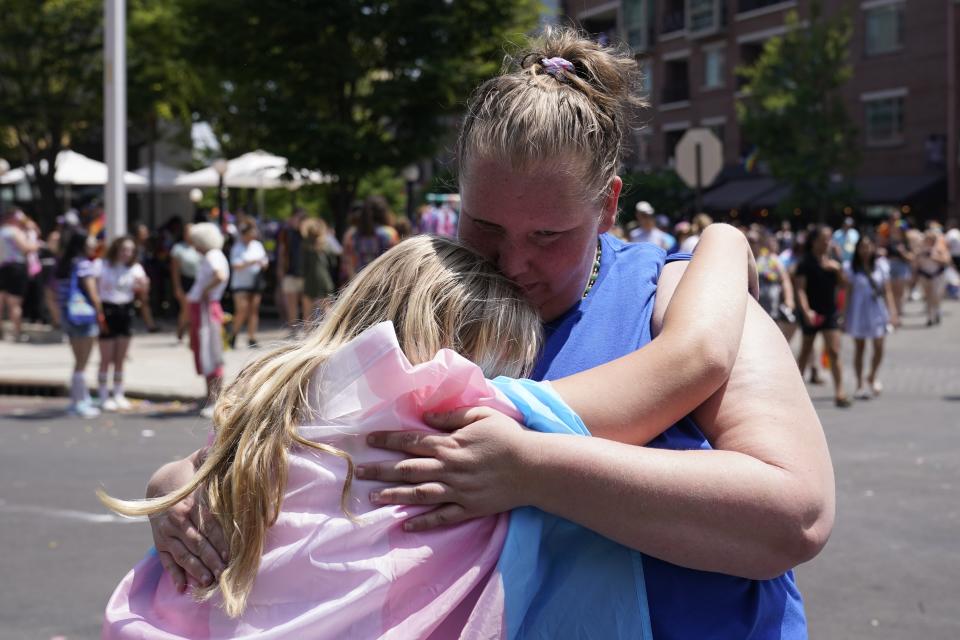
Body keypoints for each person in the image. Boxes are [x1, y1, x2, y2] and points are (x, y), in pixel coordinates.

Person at [144, 29, 833, 639]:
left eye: (548, 236)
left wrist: (527, 470)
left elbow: (794, 517)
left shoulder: (680, 299)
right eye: (485, 228)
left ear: (609, 205)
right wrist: (187, 490)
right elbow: (293, 443)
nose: (512, 262)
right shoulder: (420, 293)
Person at [100, 228, 754, 637]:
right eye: (498, 362)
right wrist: (724, 240)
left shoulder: (275, 395)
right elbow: (691, 359)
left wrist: (173, 483)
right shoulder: (455, 406)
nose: (500, 379)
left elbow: (185, 480)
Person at [795, 225, 849, 406]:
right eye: (824, 239)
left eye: (829, 238)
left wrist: (837, 270)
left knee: (833, 351)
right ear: (814, 241)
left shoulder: (833, 261)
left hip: (830, 311)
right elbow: (800, 290)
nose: (827, 242)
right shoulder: (806, 263)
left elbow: (844, 285)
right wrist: (806, 311)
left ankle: (840, 392)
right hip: (812, 312)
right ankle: (795, 393)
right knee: (805, 351)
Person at [97, 236, 150, 411]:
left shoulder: (135, 268)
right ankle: (103, 394)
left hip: (125, 310)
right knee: (106, 357)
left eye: (130, 250)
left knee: (120, 358)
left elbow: (143, 291)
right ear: (116, 249)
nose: (127, 253)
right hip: (108, 309)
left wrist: (143, 285)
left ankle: (118, 393)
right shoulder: (103, 265)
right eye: (123, 249)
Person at [56, 231, 105, 418]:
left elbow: (52, 293)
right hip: (84, 317)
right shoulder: (84, 265)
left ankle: (77, 399)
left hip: (68, 316)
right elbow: (93, 294)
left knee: (78, 361)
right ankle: (81, 402)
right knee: (82, 363)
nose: (93, 245)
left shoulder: (64, 264)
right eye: (90, 242)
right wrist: (100, 311)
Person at [844, 235, 898, 400]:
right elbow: (848, 293)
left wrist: (893, 311)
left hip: (877, 310)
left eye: (868, 246)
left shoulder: (881, 266)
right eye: (862, 247)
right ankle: (860, 383)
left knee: (879, 346)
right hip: (859, 311)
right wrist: (844, 315)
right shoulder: (850, 268)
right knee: (859, 348)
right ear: (857, 249)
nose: (865, 250)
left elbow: (887, 290)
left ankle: (872, 376)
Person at [186, 223, 229, 418]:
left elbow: (219, 276)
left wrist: (205, 291)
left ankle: (216, 400)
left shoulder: (213, 256)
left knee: (211, 353)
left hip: (207, 309)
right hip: (203, 308)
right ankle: (210, 397)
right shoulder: (211, 256)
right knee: (205, 354)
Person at [748, 227, 796, 339]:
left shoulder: (772, 259)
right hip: (749, 313)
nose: (749, 243)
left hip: (770, 312)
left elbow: (785, 280)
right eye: (748, 239)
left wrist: (789, 299)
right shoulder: (742, 260)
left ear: (761, 242)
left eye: (753, 241)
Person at [0, 208, 39, 342]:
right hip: (15, 267)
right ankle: (17, 332)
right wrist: (36, 243)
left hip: (2, 267)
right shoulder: (14, 232)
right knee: (14, 304)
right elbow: (27, 248)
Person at [227, 222, 268, 348]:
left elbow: (265, 262)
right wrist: (252, 262)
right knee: (242, 309)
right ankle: (233, 334)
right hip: (240, 283)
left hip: (255, 282)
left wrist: (262, 264)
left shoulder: (257, 246)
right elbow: (235, 265)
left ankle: (251, 337)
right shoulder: (237, 247)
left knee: (254, 309)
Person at [341, 195, 399, 281]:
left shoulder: (354, 235)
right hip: (382, 282)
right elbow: (396, 262)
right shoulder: (389, 234)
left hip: (360, 282)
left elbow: (350, 262)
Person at [299, 217, 337, 321]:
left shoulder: (305, 246)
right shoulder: (326, 245)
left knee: (307, 310)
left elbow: (303, 265)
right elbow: (333, 262)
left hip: (310, 279)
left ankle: (307, 333)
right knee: (327, 308)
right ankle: (329, 331)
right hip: (325, 279)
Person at [170, 223, 202, 342]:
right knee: (187, 308)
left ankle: (190, 333)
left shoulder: (200, 247)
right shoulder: (178, 248)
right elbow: (175, 270)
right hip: (185, 280)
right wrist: (177, 287)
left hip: (198, 280)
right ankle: (182, 330)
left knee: (195, 308)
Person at [276, 208, 307, 333]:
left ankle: (306, 330)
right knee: (291, 305)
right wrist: (280, 269)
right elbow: (282, 252)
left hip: (306, 274)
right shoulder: (287, 233)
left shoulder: (308, 234)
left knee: (307, 304)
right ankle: (293, 330)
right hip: (290, 272)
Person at [915, 227, 951, 326]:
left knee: (936, 296)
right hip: (924, 275)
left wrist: (934, 257)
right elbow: (916, 264)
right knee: (927, 297)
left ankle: (937, 312)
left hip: (937, 275)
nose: (929, 241)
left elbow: (946, 261)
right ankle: (930, 317)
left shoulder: (940, 248)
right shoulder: (920, 250)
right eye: (927, 239)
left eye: (931, 239)